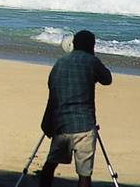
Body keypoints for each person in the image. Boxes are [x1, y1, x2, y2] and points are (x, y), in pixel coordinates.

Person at [39, 30, 113, 187]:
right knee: (84, 174)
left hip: (61, 125)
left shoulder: (59, 63)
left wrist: (46, 122)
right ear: (91, 46)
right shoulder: (91, 61)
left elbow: (52, 96)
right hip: (85, 126)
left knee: (51, 164)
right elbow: (107, 79)